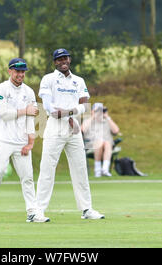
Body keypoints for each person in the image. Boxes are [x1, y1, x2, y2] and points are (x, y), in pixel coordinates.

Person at [36, 48, 105, 221]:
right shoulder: (48, 79)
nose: (63, 61)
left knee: (80, 168)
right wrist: (70, 115)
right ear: (55, 62)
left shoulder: (78, 81)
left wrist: (69, 113)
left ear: (70, 59)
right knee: (47, 168)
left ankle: (86, 209)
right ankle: (37, 211)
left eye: (65, 57)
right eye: (59, 59)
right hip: (55, 127)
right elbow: (49, 108)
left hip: (74, 129)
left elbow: (85, 105)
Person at [0, 58, 48, 223]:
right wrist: (24, 110)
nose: (20, 74)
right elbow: (3, 113)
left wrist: (30, 141)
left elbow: (31, 118)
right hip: (2, 139)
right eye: (17, 71)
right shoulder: (1, 89)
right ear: (10, 71)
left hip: (21, 141)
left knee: (27, 177)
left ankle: (32, 212)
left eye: (23, 71)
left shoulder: (29, 92)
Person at [81, 103, 120, 177]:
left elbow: (116, 131)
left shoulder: (106, 121)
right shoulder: (88, 120)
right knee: (100, 142)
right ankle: (99, 171)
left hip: (107, 146)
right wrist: (93, 116)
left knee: (106, 143)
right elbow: (82, 129)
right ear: (92, 111)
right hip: (91, 146)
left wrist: (107, 117)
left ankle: (104, 170)